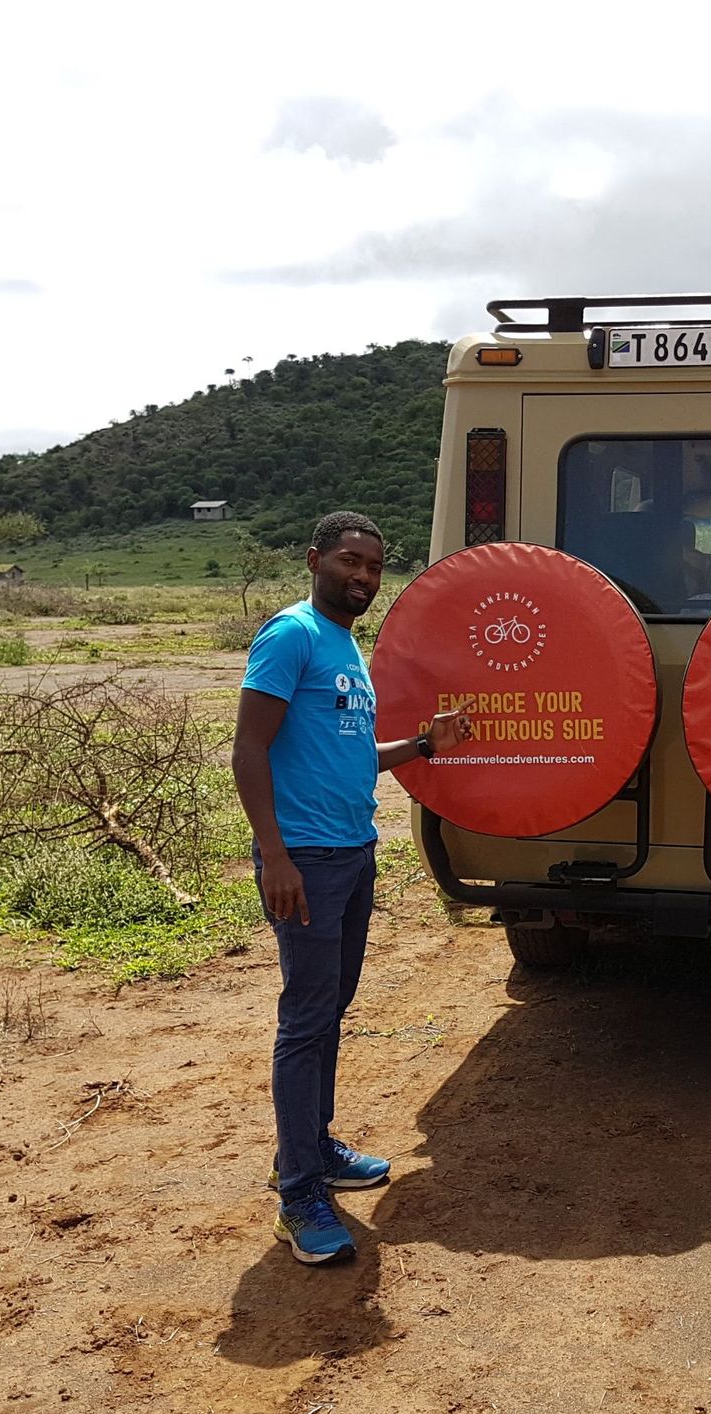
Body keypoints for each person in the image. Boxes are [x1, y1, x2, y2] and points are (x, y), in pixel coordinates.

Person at [232, 510, 473, 1264]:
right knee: (305, 1020)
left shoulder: (344, 648)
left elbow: (351, 758)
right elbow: (248, 747)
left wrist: (427, 744)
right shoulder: (292, 634)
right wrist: (274, 854)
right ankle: (298, 1192)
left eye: (374, 565)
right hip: (304, 860)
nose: (363, 575)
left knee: (329, 1011)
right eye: (348, 561)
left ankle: (317, 1147)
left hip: (352, 855)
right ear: (315, 559)